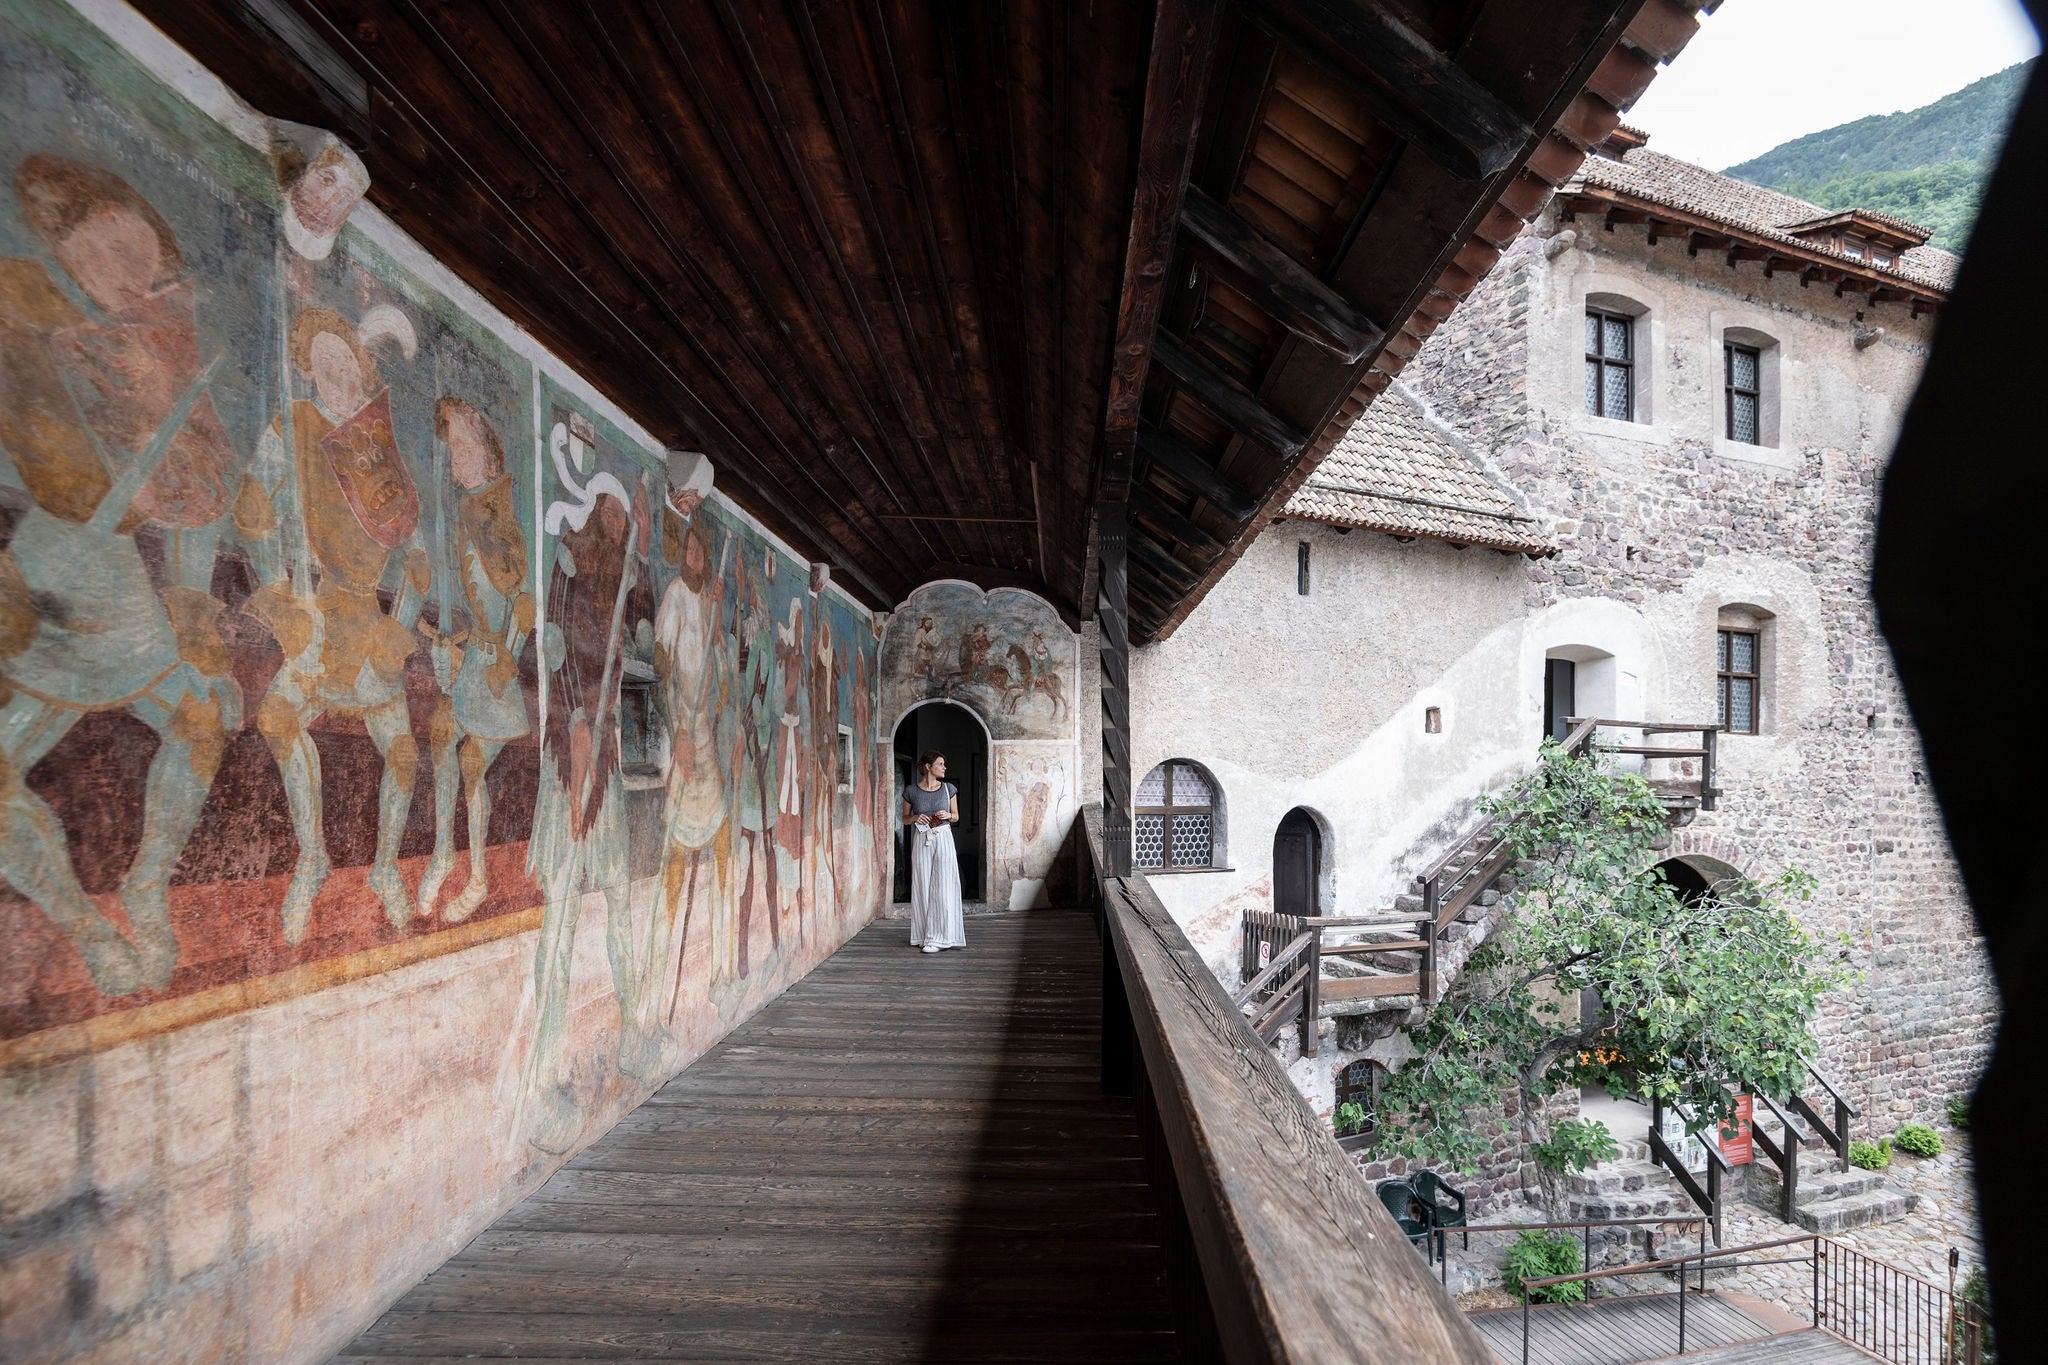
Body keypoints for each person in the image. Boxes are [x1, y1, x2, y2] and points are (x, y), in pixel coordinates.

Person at [902, 749, 965, 953]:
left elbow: (956, 816)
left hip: (943, 837)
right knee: (922, 885)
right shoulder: (911, 791)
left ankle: (939, 937)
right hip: (922, 839)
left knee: (944, 886)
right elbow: (904, 819)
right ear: (929, 767)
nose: (944, 767)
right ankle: (923, 935)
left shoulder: (948, 789)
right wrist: (914, 818)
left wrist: (948, 814)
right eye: (940, 764)